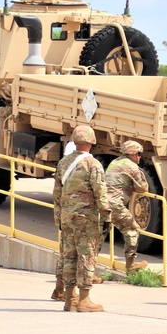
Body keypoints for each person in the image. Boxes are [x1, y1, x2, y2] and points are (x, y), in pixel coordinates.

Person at [52, 124, 111, 313]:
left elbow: (57, 193)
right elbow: (100, 192)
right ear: (92, 142)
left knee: (69, 256)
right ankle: (84, 299)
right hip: (86, 218)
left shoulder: (63, 163)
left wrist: (59, 217)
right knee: (86, 256)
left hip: (67, 217)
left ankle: (70, 299)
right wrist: (107, 215)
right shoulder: (92, 164)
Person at [105, 140, 151, 274]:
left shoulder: (114, 162)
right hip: (114, 204)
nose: (140, 157)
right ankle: (130, 266)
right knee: (132, 229)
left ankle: (87, 271)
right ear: (134, 154)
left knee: (99, 235)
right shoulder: (132, 167)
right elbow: (143, 188)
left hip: (101, 202)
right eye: (139, 154)